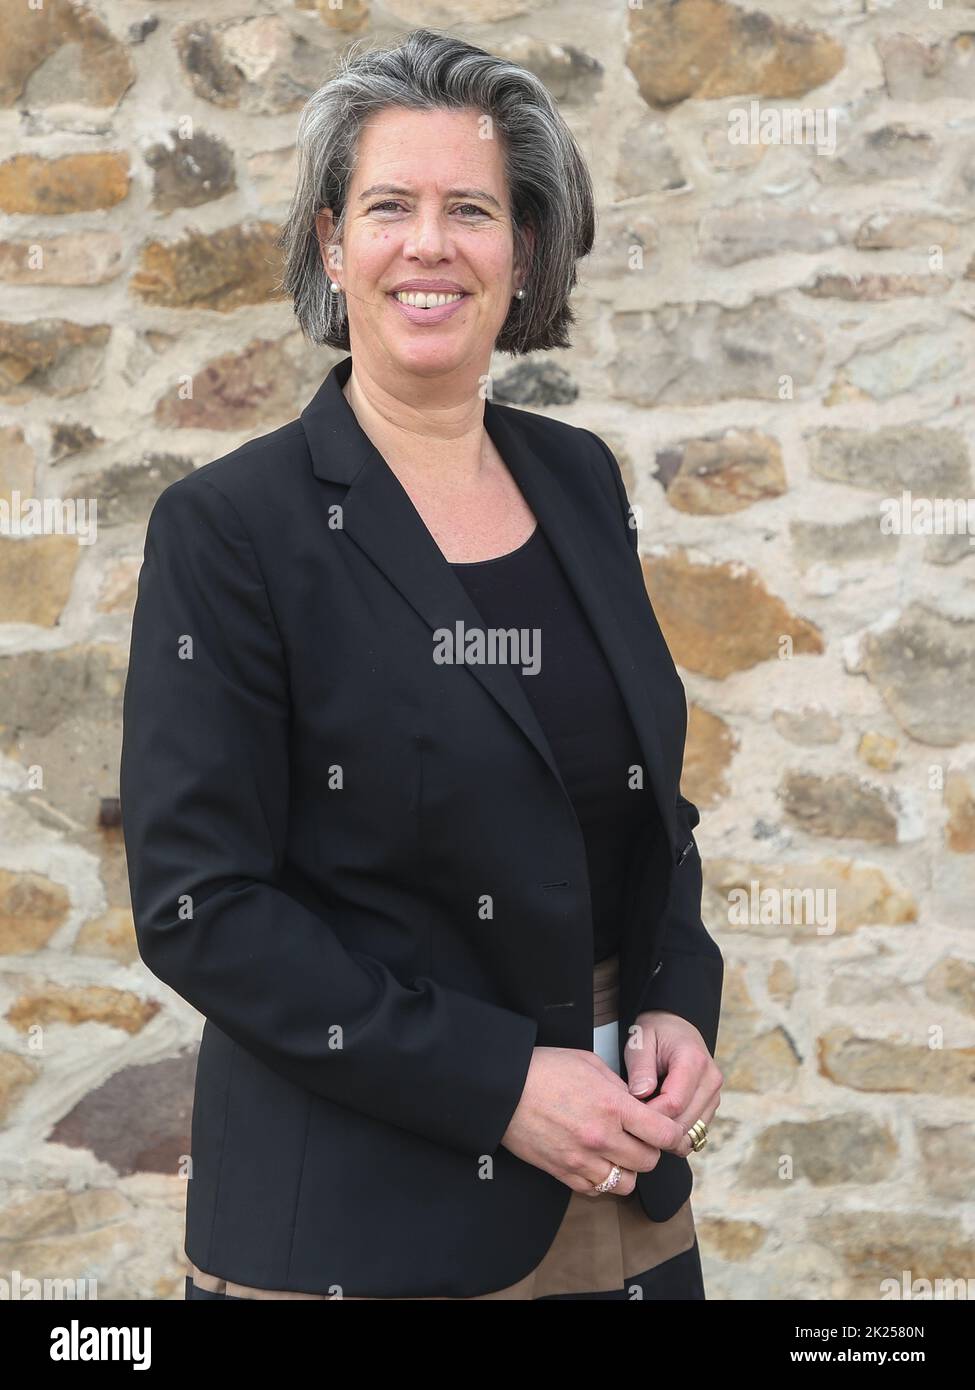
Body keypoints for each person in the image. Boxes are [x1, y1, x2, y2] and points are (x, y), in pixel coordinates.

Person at [119, 26, 724, 1302]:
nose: (431, 244)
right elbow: (202, 906)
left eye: (473, 209)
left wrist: (678, 997)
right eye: (390, 206)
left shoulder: (577, 480)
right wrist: (499, 1082)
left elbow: (641, 804)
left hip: (621, 1188)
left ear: (525, 250)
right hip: (362, 1219)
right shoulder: (234, 530)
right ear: (335, 246)